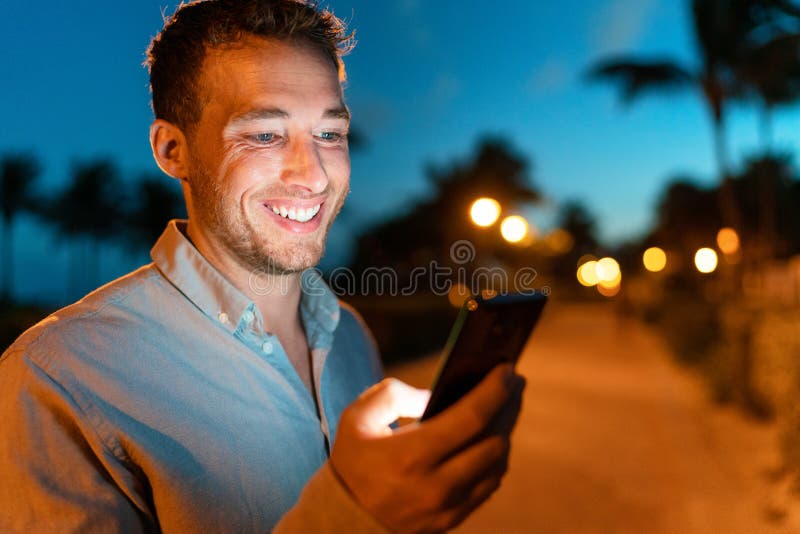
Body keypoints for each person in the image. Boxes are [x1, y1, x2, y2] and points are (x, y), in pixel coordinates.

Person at [0, 1, 525, 532]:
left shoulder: (351, 337)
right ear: (172, 149)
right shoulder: (59, 377)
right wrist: (353, 516)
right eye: (265, 134)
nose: (314, 176)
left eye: (329, 134)